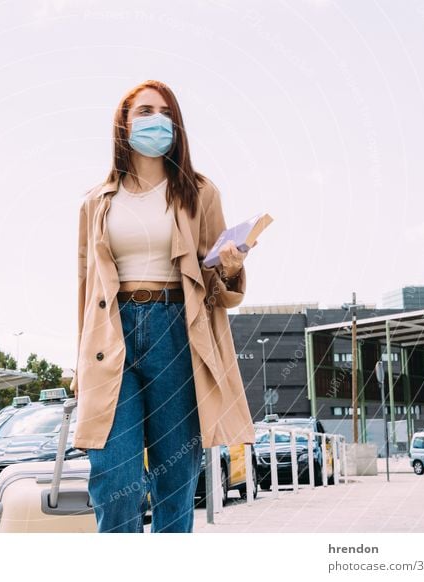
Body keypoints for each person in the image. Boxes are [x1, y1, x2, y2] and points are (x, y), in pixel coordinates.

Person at [72, 80, 257, 533]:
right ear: (124, 123)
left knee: (175, 484)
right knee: (116, 479)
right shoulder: (96, 202)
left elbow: (218, 284)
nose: (156, 120)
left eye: (165, 111)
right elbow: (84, 288)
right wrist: (79, 361)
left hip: (179, 333)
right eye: (145, 111)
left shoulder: (198, 192)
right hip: (112, 338)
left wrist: (231, 268)